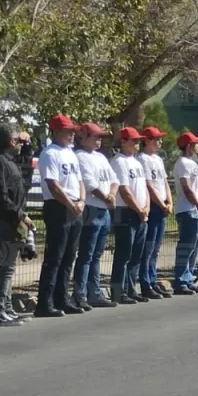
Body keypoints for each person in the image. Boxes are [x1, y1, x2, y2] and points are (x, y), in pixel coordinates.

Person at [35, 114, 86, 318]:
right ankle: (44, 302)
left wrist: (81, 201)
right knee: (55, 256)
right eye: (68, 131)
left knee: (69, 256)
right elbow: (53, 185)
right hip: (58, 207)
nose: (72, 134)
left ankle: (62, 298)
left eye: (73, 131)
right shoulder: (50, 154)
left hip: (74, 206)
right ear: (56, 132)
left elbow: (79, 180)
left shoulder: (71, 153)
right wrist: (70, 203)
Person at [0, 124, 33, 325]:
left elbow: (26, 169)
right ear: (9, 141)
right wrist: (20, 214)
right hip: (4, 219)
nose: (18, 142)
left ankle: (6, 307)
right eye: (16, 139)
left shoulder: (10, 161)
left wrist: (28, 145)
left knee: (10, 266)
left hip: (12, 219)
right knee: (7, 266)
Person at [73, 122, 117, 309]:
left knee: (97, 254)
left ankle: (95, 292)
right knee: (86, 254)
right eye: (95, 136)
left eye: (100, 136)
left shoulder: (101, 157)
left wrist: (111, 195)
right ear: (83, 138)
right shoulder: (80, 157)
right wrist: (106, 197)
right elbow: (89, 184)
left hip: (104, 209)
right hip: (91, 209)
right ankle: (80, 294)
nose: (99, 139)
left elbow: (114, 179)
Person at [110, 126, 151, 304]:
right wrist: (138, 209)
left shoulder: (137, 162)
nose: (136, 143)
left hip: (140, 211)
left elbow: (144, 188)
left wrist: (146, 207)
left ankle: (131, 288)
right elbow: (124, 190)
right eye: (133, 140)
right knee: (124, 254)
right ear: (123, 141)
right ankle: (118, 291)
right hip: (125, 211)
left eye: (137, 140)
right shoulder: (119, 162)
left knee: (136, 254)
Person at [137, 126, 173, 299]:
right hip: (153, 205)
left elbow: (164, 181)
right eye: (157, 139)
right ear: (147, 140)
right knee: (149, 246)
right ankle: (145, 281)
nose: (160, 142)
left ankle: (152, 279)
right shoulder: (142, 159)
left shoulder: (158, 159)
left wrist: (169, 201)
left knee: (156, 246)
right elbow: (148, 185)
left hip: (162, 205)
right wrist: (160, 203)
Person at [171, 131, 198, 296]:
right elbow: (186, 187)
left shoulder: (192, 162)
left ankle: (188, 277)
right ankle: (180, 279)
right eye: (195, 143)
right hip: (187, 209)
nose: (197, 146)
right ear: (188, 146)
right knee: (187, 244)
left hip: (195, 208)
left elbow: (197, 187)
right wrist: (197, 203)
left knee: (195, 243)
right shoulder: (183, 163)